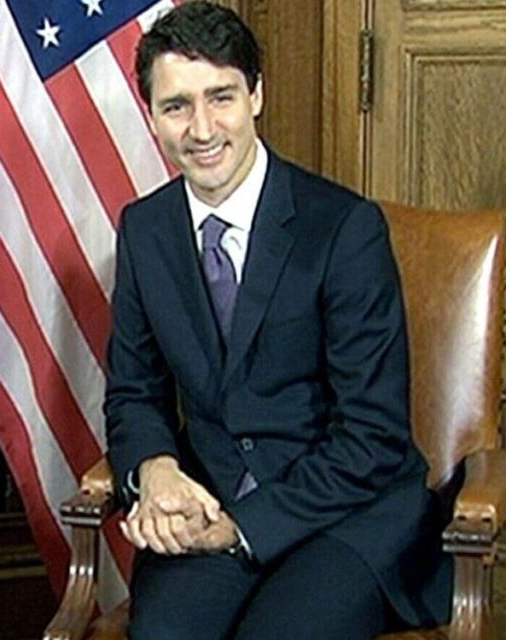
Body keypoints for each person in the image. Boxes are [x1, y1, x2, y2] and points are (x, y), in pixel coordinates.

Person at [106, 3, 451, 638]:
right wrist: (154, 469)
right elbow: (133, 392)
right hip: (208, 505)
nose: (202, 128)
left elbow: (372, 436)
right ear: (151, 116)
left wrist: (244, 527)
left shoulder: (344, 229)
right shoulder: (145, 230)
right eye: (177, 106)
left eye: (221, 97)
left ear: (257, 96)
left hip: (344, 515)